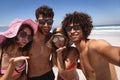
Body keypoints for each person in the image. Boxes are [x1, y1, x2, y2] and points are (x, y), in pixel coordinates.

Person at [62, 11, 120, 80]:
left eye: (76, 27)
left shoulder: (94, 46)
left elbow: (117, 53)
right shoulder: (79, 52)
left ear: (84, 28)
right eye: (68, 29)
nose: (72, 31)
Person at [27, 5, 55, 80]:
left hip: (49, 75)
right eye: (42, 22)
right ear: (36, 22)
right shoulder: (28, 39)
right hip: (33, 77)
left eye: (49, 22)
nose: (46, 25)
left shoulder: (52, 38)